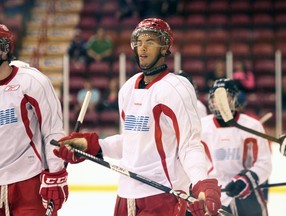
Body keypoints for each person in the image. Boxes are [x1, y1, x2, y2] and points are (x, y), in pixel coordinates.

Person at [53, 18, 221, 216]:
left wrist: (203, 184)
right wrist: (92, 146)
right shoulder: (128, 88)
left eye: (150, 42)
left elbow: (190, 145)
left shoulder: (177, 88)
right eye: (139, 42)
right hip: (126, 193)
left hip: (163, 194)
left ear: (165, 46)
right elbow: (130, 143)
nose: (143, 48)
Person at [0, 24, 68, 215]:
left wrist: (55, 174)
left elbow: (52, 131)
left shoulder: (31, 81)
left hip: (29, 182)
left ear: (6, 49)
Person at [201, 78, 272, 216]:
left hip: (248, 192)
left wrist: (247, 179)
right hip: (214, 194)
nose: (220, 101)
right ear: (211, 100)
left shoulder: (252, 126)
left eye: (226, 96)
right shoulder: (201, 127)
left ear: (234, 99)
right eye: (216, 97)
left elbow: (265, 163)